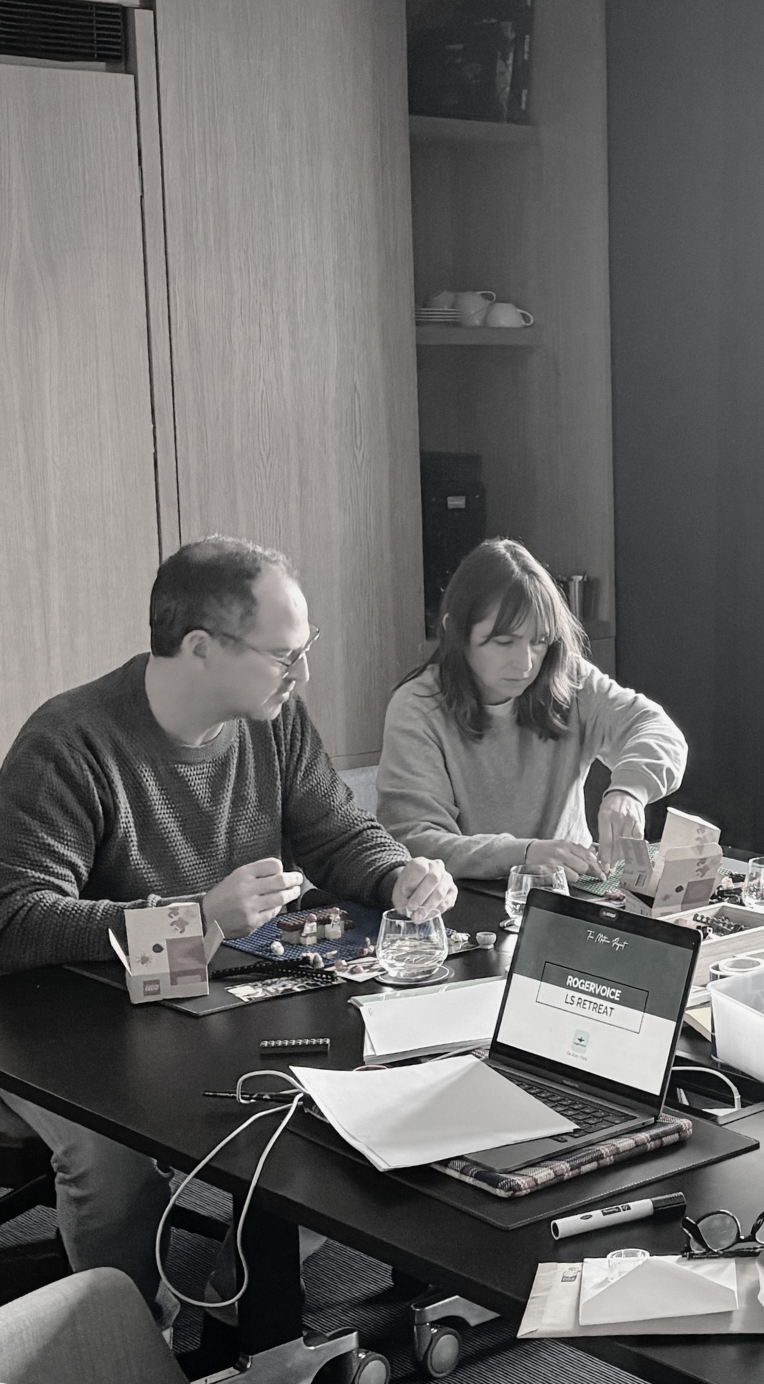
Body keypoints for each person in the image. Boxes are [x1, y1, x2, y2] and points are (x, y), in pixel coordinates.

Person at [0, 535, 455, 1306]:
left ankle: (241, 1298)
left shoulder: (273, 721)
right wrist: (193, 917)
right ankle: (123, 1357)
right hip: (56, 1028)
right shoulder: (70, 743)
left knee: (338, 1102)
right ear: (201, 648)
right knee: (113, 1161)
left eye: (304, 648)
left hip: (198, 1003)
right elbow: (17, 920)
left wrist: (397, 871)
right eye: (284, 655)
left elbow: (339, 830)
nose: (302, 672)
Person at [377, 538, 687, 886]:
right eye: (504, 642)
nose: (525, 663)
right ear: (455, 632)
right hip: (465, 899)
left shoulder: (570, 680)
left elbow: (657, 729)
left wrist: (630, 791)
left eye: (538, 641)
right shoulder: (418, 707)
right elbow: (413, 839)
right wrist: (523, 854)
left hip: (573, 891)